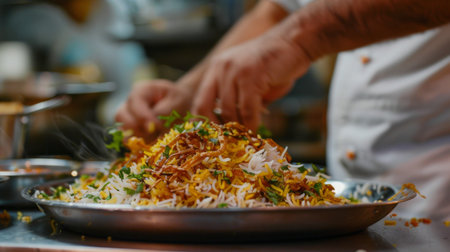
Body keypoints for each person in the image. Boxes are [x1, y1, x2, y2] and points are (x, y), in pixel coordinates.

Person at [116, 0, 450, 220]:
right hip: (349, 208)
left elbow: (292, 26)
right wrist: (191, 90)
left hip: (438, 185)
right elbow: (281, 9)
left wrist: (297, 40)